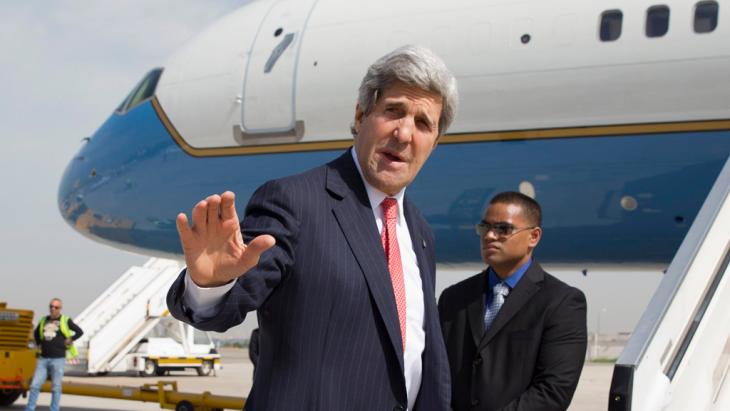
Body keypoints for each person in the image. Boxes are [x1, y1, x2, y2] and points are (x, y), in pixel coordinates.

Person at [167, 45, 458, 410]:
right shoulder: (294, 201)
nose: (404, 134)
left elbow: (418, 352)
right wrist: (212, 284)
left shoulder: (421, 232)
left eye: (422, 123)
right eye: (393, 112)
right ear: (361, 114)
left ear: (434, 141)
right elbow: (232, 302)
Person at [438, 192, 587, 411]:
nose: (489, 236)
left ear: (534, 236)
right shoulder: (454, 298)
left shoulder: (562, 302)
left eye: (502, 229)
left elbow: (553, 391)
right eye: (484, 227)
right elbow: (436, 373)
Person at [26, 298, 83, 411]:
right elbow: (36, 334)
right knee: (34, 386)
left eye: (56, 307)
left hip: (58, 359)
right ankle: (29, 409)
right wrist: (38, 345)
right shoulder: (43, 320)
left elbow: (80, 332)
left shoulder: (65, 320)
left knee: (56, 387)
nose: (53, 309)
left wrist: (70, 339)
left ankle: (54, 409)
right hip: (43, 359)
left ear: (60, 309)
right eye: (51, 306)